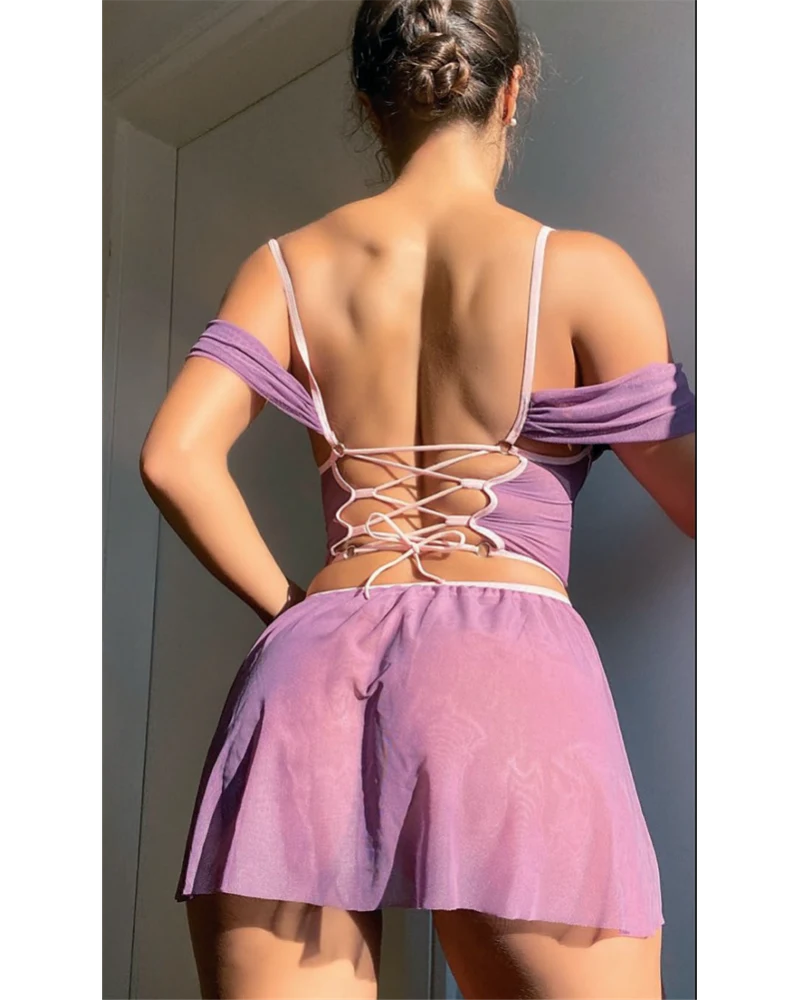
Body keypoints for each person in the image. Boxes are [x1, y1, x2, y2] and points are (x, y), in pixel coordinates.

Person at [140, 1, 695, 997]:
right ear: (512, 90)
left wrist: (293, 610)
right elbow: (699, 500)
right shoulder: (581, 271)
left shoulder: (285, 268)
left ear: (368, 103)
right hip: (509, 669)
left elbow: (175, 458)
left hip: (312, 675)